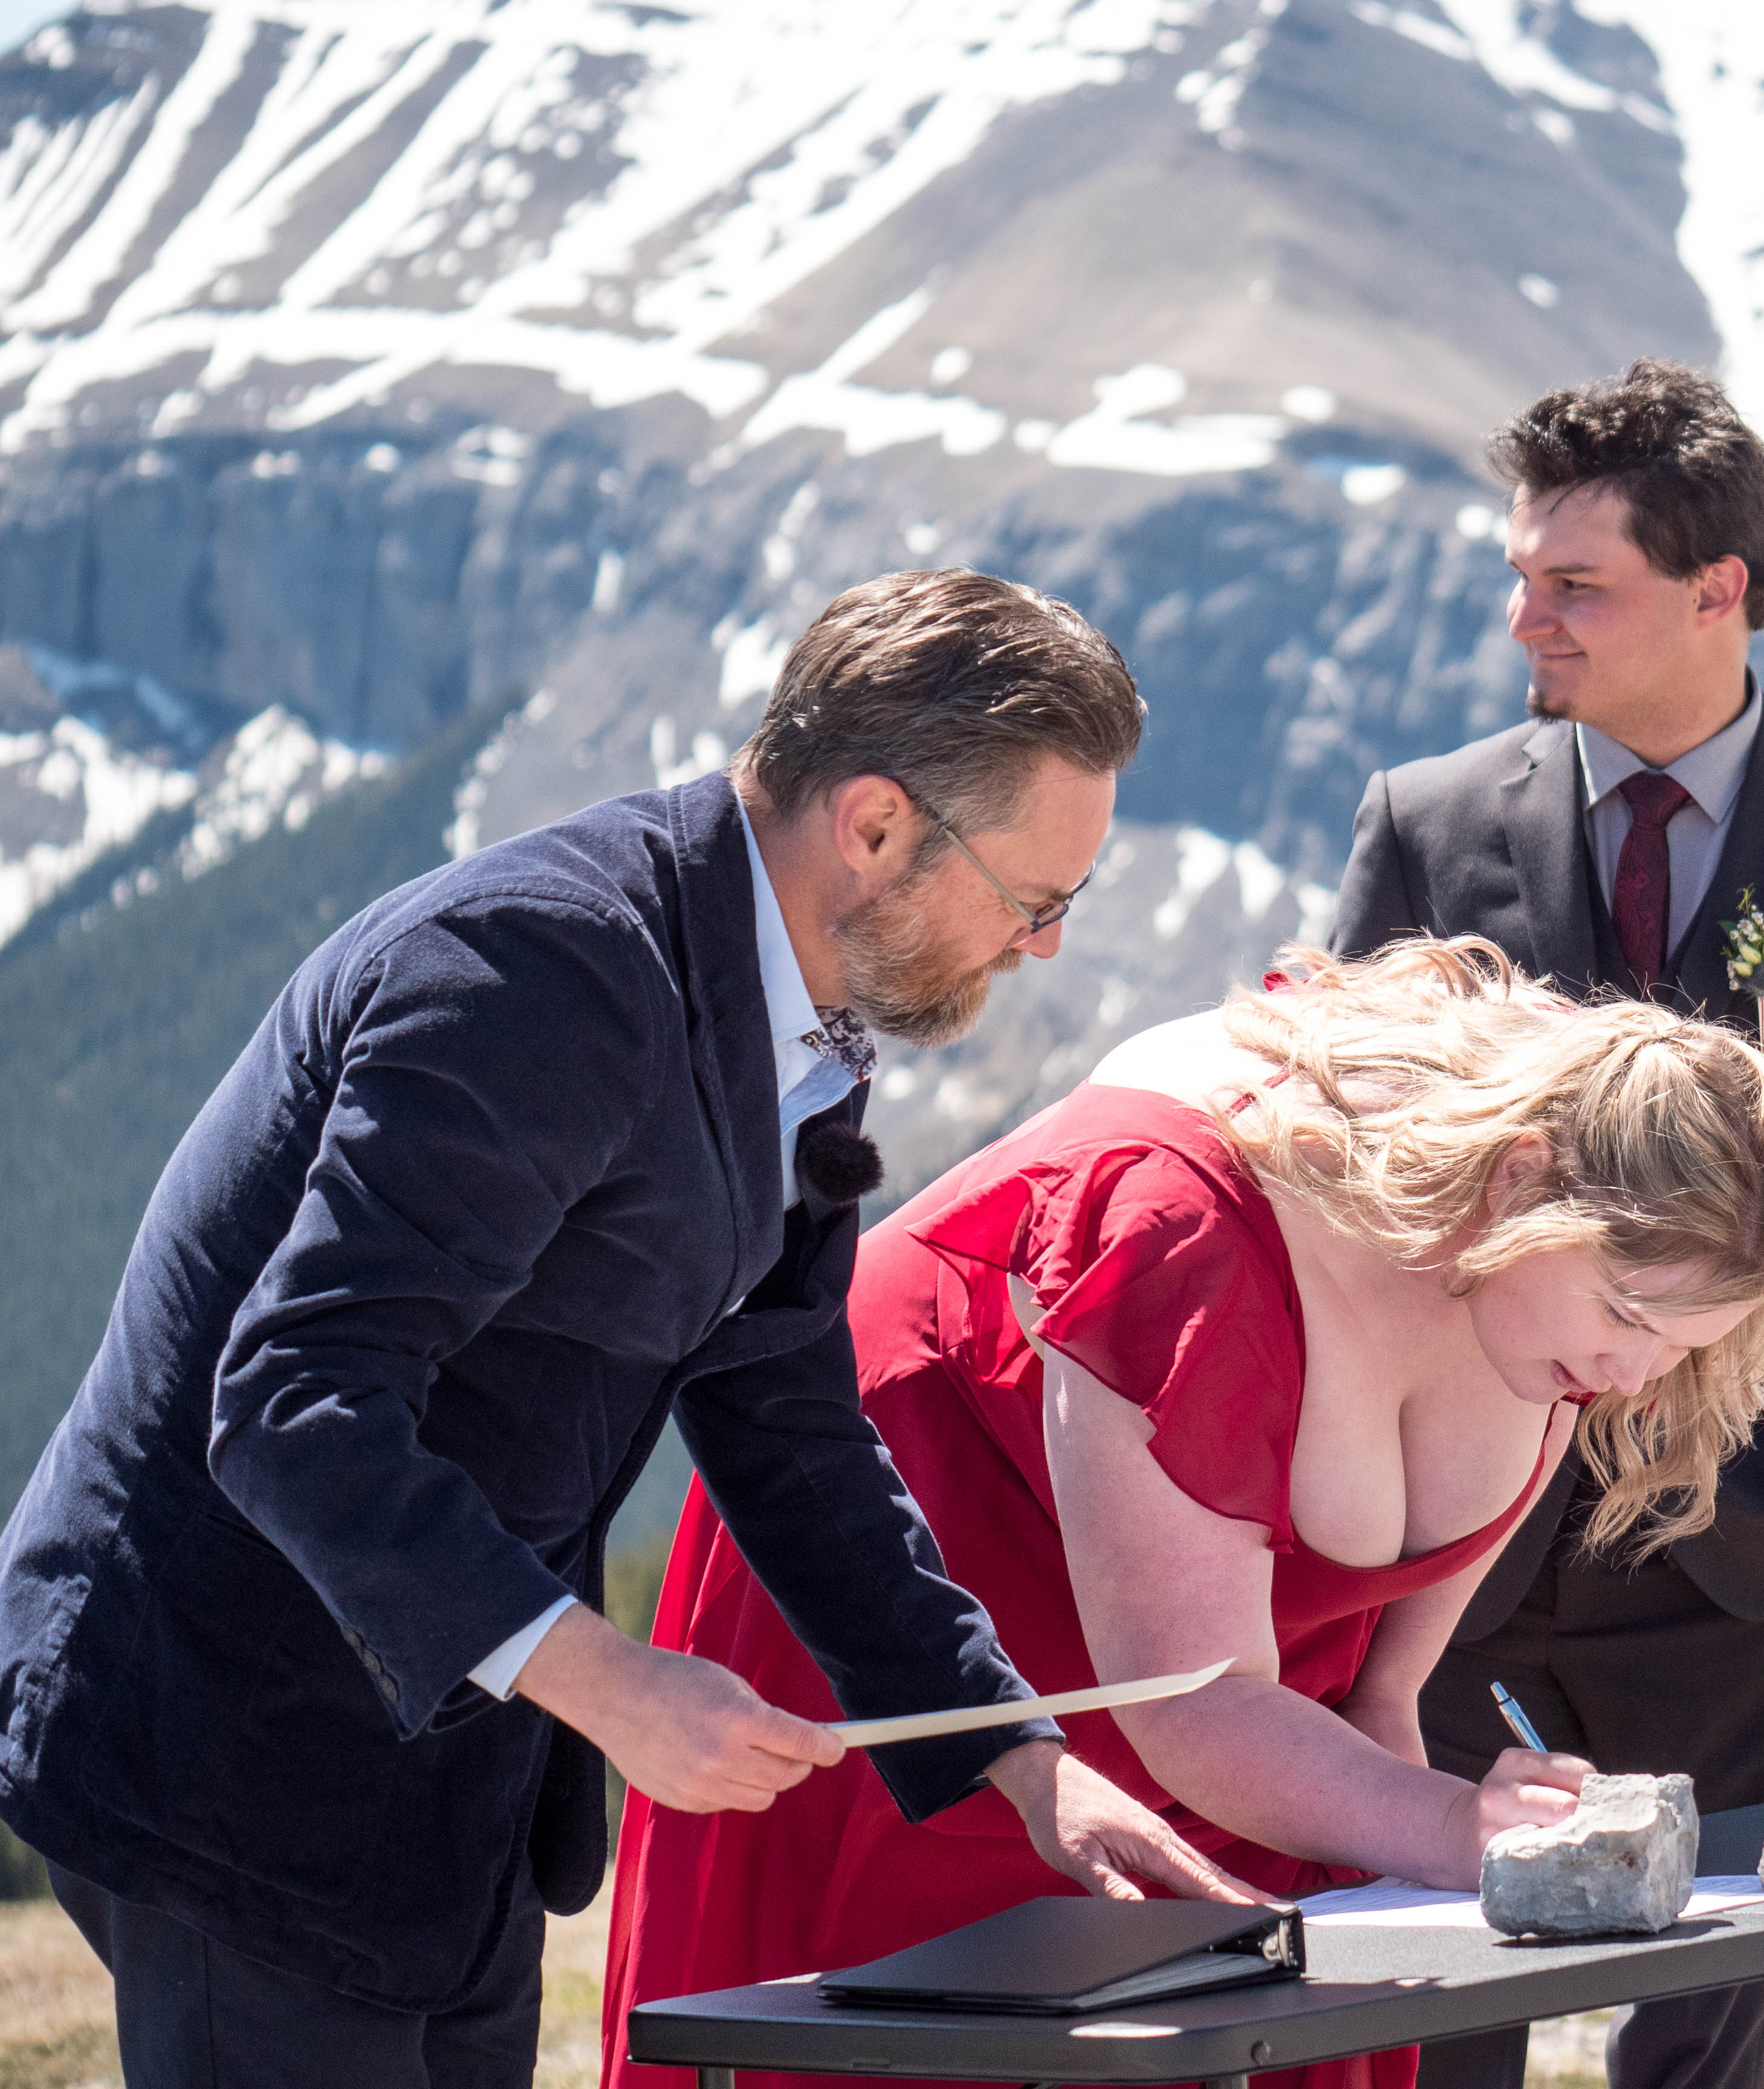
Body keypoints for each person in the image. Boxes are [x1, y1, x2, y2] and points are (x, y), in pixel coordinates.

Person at [0, 569, 1243, 2087]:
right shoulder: (542, 974)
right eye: (1036, 898)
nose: (1042, 945)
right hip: (233, 1744)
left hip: (446, 1775)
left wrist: (1013, 1751)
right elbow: (292, 1403)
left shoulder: (813, 1014)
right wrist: (613, 1683)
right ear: (873, 827)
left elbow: (787, 1414)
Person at [602, 936, 1764, 2089]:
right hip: (931, 1546)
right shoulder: (1190, 1228)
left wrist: (1434, 1811)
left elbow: (1371, 1695)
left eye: (1685, 1343)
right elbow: (1191, 1704)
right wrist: (1456, 1828)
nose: (1635, 1378)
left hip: (1230, 1691)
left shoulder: (1579, 1259)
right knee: (930, 2032)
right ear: (1518, 1179)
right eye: (1627, 1319)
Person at [1332, 361, 1764, 2089]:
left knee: (1721, 2040)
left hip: (1752, 1556)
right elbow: (1343, 1166)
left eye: (1575, 585)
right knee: (1422, 2019)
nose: (1527, 619)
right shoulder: (1426, 828)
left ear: (1719, 590)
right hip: (1450, 1551)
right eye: (1522, 576)